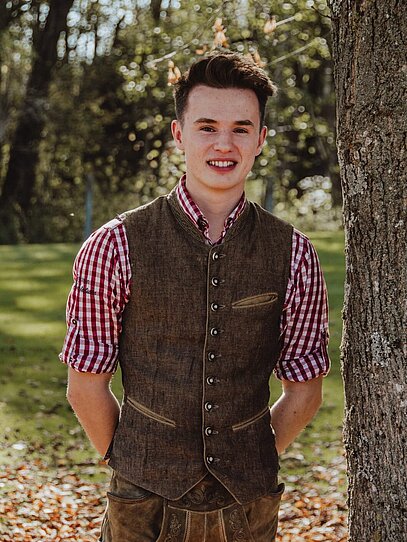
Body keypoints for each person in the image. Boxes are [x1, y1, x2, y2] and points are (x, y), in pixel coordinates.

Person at [60, 51, 330, 542]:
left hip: (249, 505)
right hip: (141, 505)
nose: (224, 144)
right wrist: (131, 460)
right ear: (179, 134)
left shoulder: (295, 253)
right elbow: (86, 387)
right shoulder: (113, 245)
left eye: (241, 128)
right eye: (207, 127)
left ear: (261, 139)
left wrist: (252, 453)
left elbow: (305, 391)